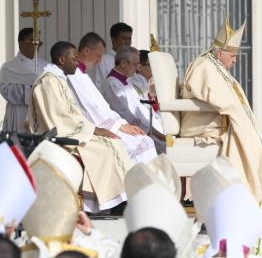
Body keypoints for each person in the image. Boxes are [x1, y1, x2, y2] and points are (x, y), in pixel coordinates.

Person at [27, 41, 133, 211]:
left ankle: (119, 199)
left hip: (74, 130)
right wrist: (94, 130)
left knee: (114, 142)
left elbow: (72, 113)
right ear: (62, 60)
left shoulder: (58, 79)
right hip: (59, 136)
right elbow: (59, 118)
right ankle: (109, 202)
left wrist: (92, 129)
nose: (77, 63)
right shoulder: (48, 82)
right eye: (74, 59)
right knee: (104, 149)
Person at [180, 17, 262, 206]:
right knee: (254, 142)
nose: (235, 60)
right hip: (200, 123)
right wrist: (234, 112)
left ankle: (252, 191)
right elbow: (215, 96)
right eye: (233, 55)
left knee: (260, 142)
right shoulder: (203, 66)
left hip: (211, 118)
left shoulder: (215, 65)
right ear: (220, 53)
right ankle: (244, 194)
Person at [67, 33, 159, 163]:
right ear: (87, 51)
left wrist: (122, 124)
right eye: (98, 55)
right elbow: (91, 109)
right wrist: (120, 126)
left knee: (146, 141)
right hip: (99, 127)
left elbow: (103, 107)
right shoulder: (76, 76)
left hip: (116, 123)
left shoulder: (83, 75)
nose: (100, 61)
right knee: (144, 143)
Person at [100, 46, 166, 154]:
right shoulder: (111, 85)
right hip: (127, 131)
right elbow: (126, 115)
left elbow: (139, 109)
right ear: (123, 63)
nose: (137, 68)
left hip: (144, 129)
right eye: (135, 64)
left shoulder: (127, 82)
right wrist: (155, 134)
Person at [0, 28, 48, 132]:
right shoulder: (9, 67)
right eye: (33, 41)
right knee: (19, 145)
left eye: (38, 42)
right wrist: (36, 91)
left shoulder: (46, 66)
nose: (37, 45)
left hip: (40, 112)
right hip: (19, 113)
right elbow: (6, 91)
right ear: (21, 43)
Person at [88, 22, 132, 88]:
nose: (127, 42)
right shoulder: (102, 61)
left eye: (129, 39)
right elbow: (97, 87)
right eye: (124, 38)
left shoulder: (132, 62)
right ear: (113, 40)